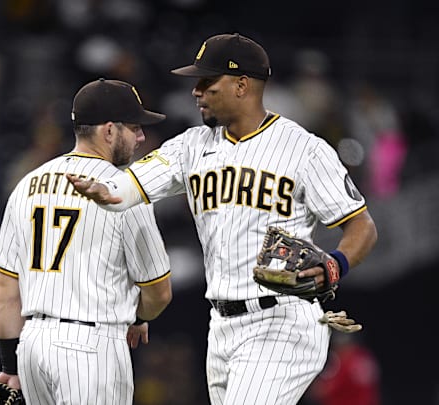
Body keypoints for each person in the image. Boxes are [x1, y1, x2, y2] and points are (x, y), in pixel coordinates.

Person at [67, 33, 378, 404]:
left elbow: (361, 226)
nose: (196, 91)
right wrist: (104, 191)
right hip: (222, 324)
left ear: (242, 85)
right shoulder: (191, 145)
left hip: (280, 318)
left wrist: (336, 264)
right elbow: (128, 188)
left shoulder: (304, 149)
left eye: (207, 81)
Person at [0, 78, 173, 405]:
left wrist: (10, 365)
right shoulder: (123, 190)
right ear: (108, 131)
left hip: (32, 345)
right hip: (91, 345)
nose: (141, 137)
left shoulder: (28, 183)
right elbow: (159, 292)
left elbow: (5, 289)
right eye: (134, 127)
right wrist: (140, 317)